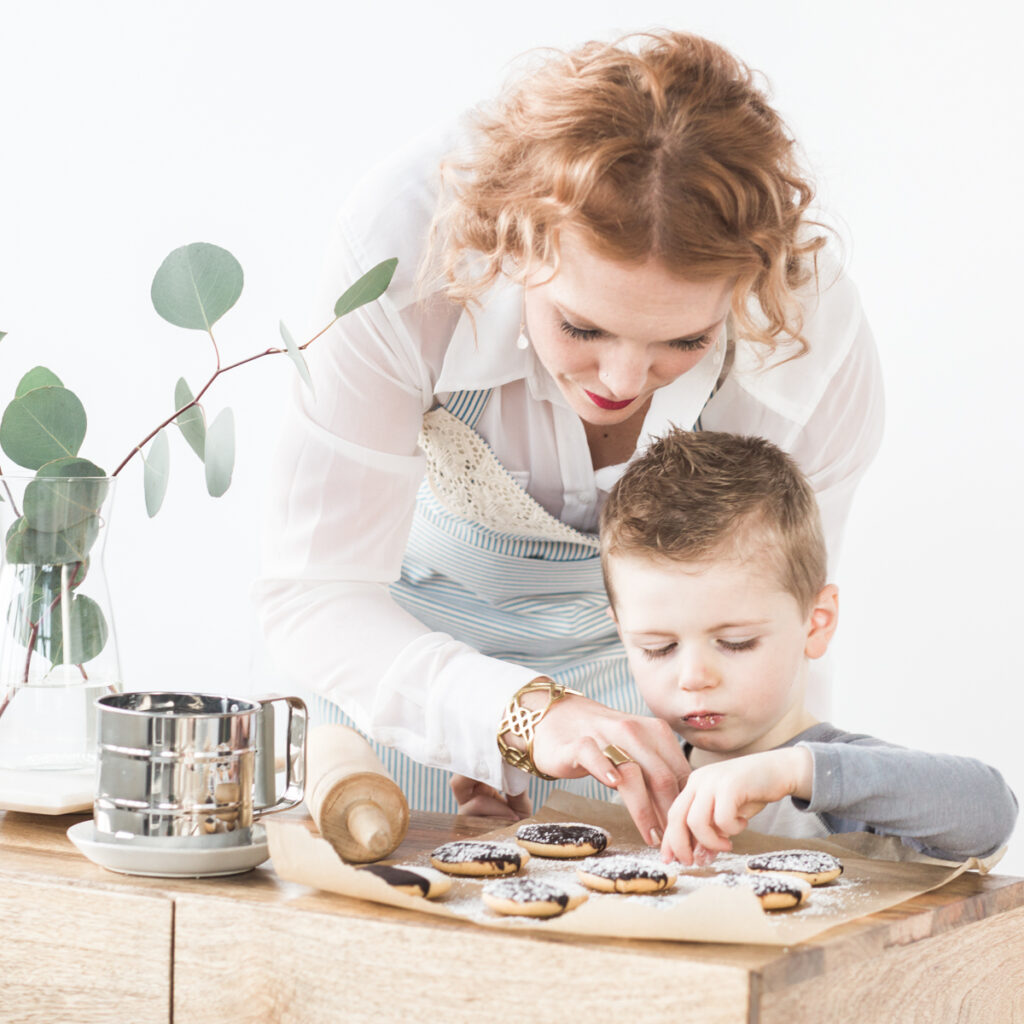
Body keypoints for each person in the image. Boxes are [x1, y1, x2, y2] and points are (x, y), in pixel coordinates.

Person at [255, 30, 884, 845]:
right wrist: (521, 716)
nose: (621, 381)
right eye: (581, 325)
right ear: (515, 246)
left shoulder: (808, 341)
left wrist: (770, 831)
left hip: (651, 713)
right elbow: (315, 589)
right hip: (394, 685)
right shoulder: (405, 250)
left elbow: (774, 635)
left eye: (683, 342)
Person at [598, 428, 1018, 864]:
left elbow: (990, 810)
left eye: (735, 643)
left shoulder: (847, 790)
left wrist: (793, 772)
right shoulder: (643, 778)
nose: (694, 677)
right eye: (658, 648)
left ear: (816, 625)